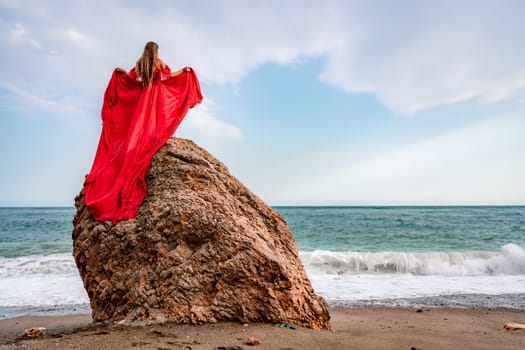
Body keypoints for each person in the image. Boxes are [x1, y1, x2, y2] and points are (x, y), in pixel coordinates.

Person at [84, 41, 203, 223]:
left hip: (141, 99)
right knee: (153, 125)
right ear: (155, 50)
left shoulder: (141, 64)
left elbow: (133, 79)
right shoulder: (158, 62)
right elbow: (168, 77)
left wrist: (122, 72)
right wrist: (184, 70)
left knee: (137, 127)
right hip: (154, 98)